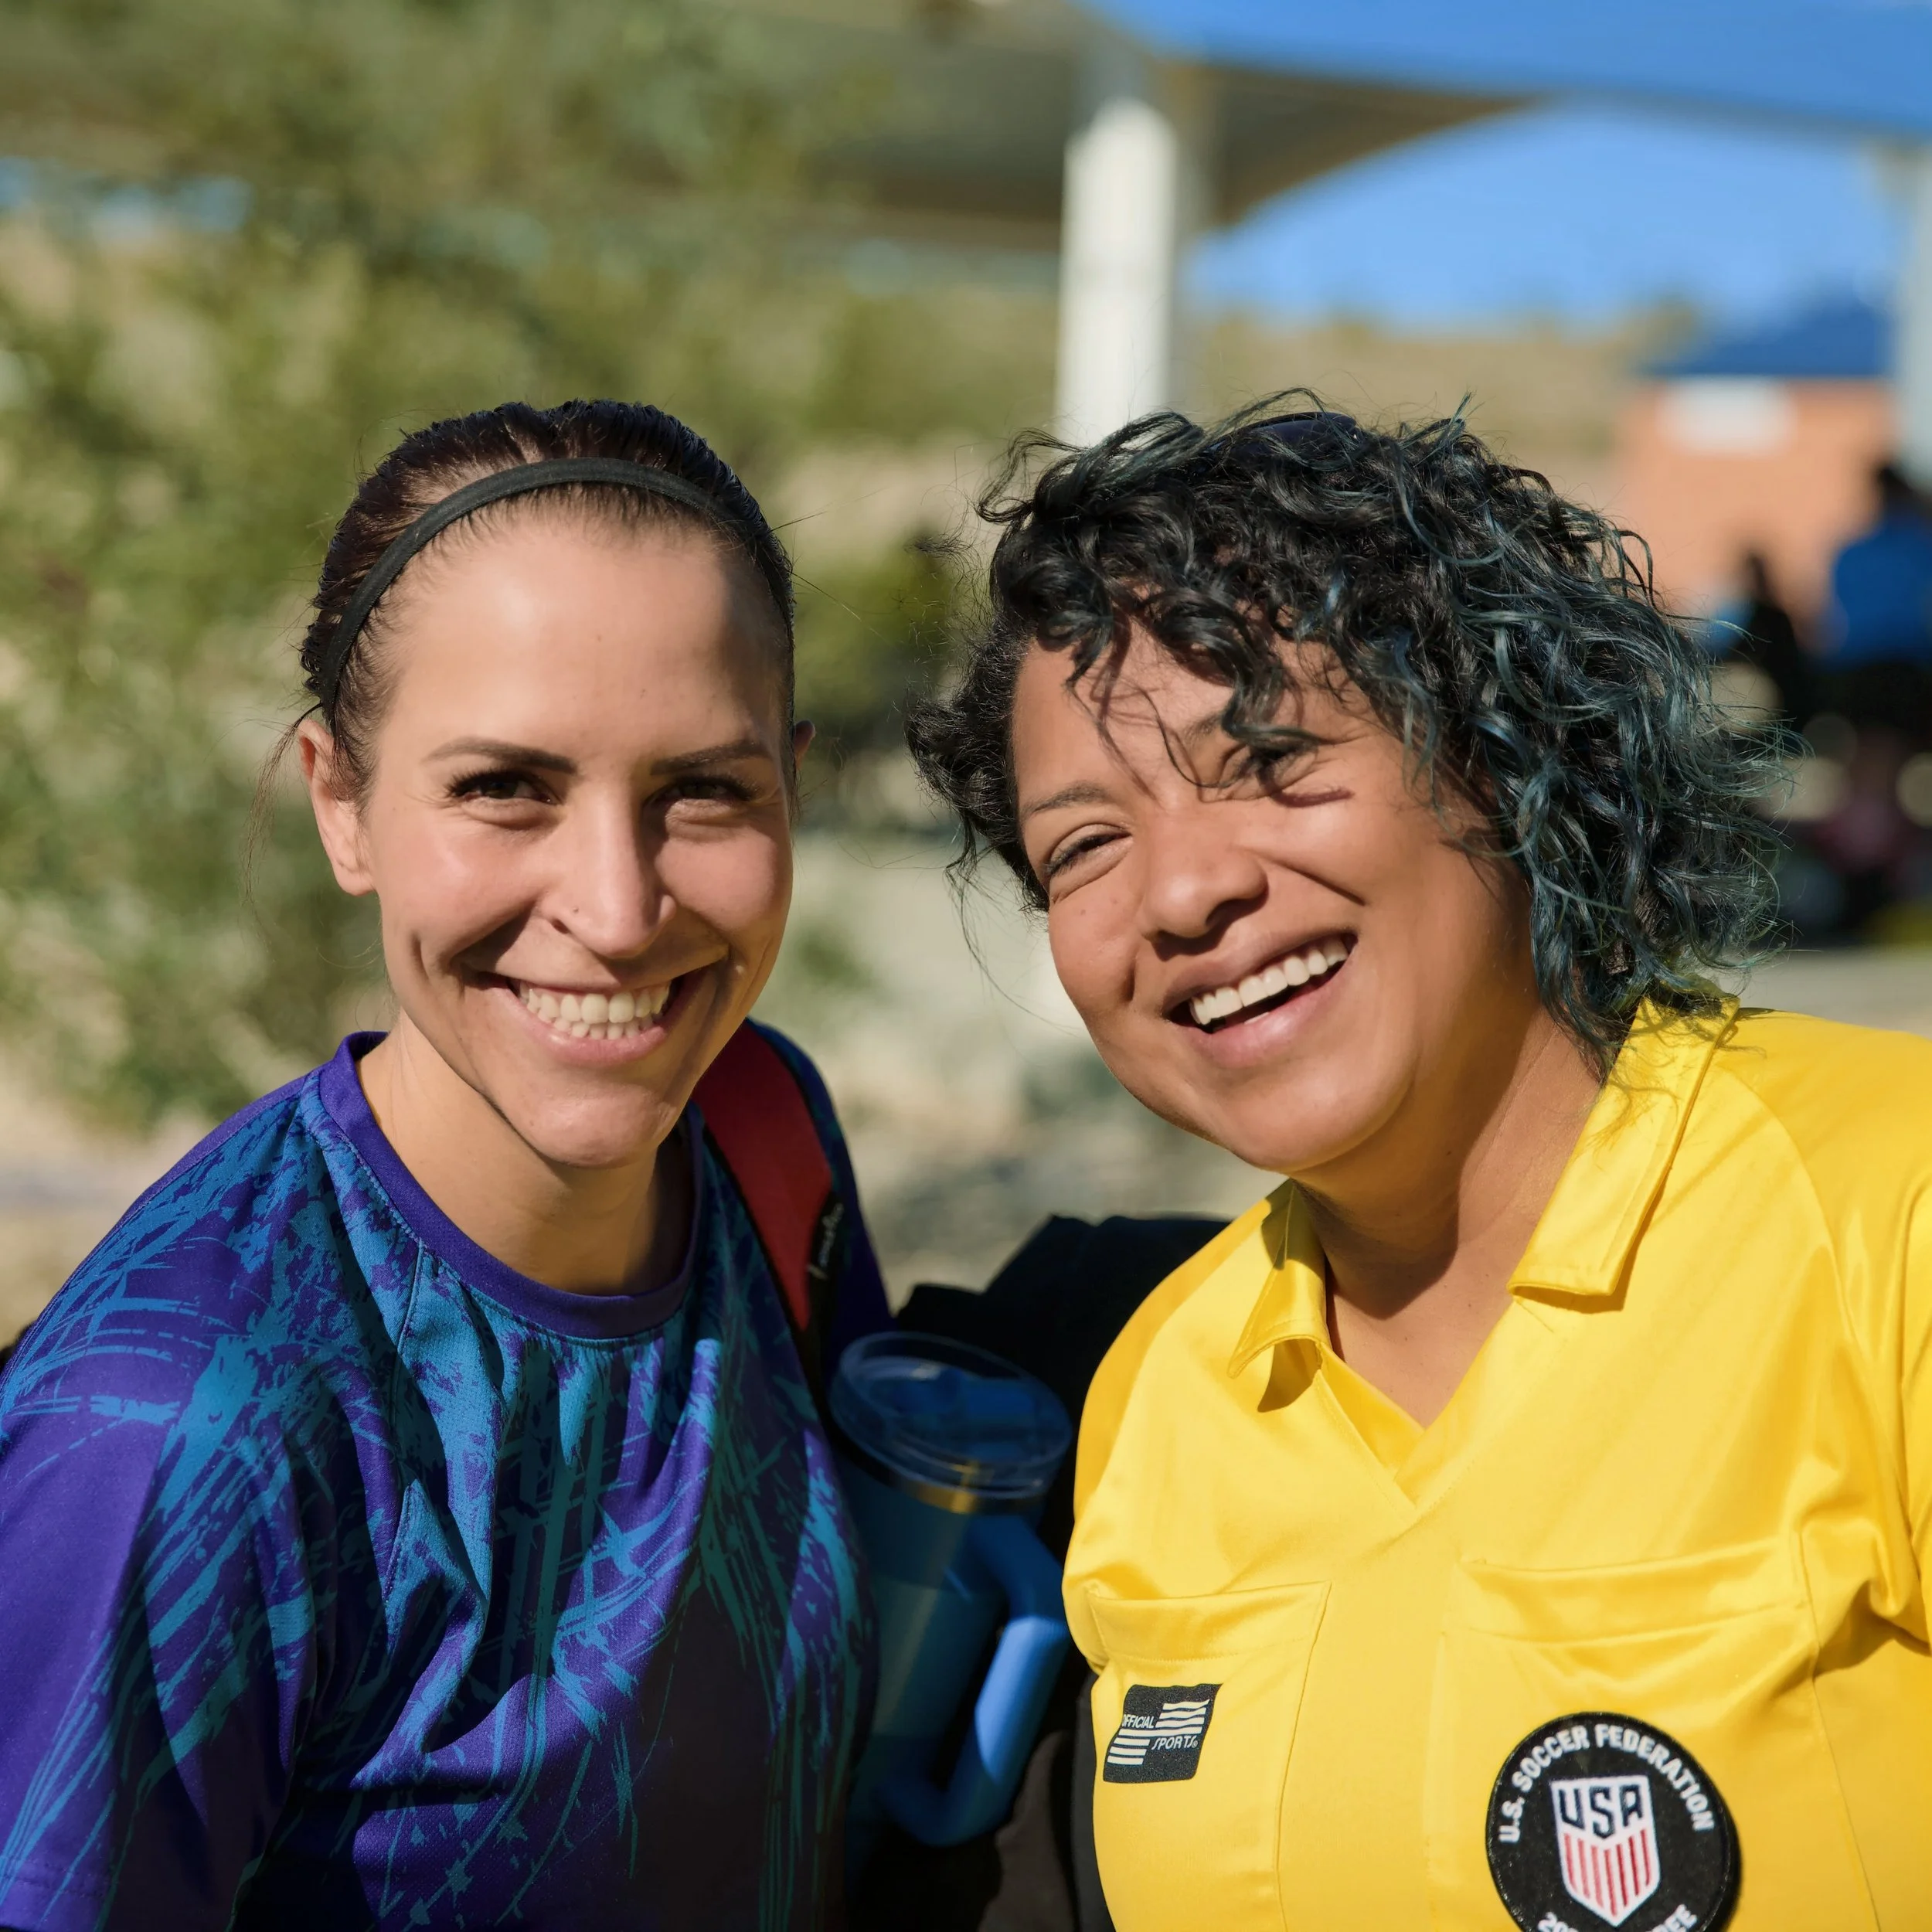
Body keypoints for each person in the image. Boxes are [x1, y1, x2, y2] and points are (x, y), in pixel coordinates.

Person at [908, 403, 1932, 1932]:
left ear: (1500, 750)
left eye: (1266, 755)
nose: (1181, 889)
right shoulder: (1156, 1393)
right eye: (1082, 848)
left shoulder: (1884, 1206)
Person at [0, 400, 891, 1928]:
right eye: (503, 787)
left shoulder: (755, 1130)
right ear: (340, 802)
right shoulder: (185, 1424)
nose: (616, 909)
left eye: (704, 788)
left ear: (790, 788)